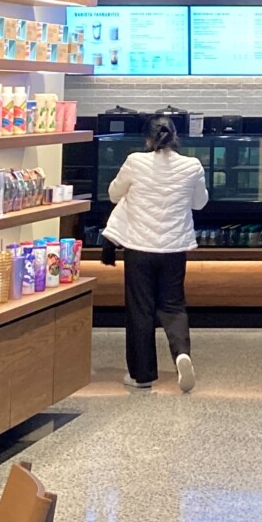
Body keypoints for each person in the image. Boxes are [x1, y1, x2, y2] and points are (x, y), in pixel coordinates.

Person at [104, 117, 208, 391]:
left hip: (139, 248)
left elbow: (114, 195)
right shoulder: (192, 165)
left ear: (148, 139)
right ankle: (181, 353)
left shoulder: (135, 161)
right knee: (173, 305)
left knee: (140, 309)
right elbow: (200, 203)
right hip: (174, 248)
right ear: (175, 136)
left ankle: (142, 375)